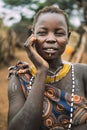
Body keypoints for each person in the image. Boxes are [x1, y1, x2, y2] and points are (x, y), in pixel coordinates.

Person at [7, 6, 87, 130]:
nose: (50, 39)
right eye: (42, 33)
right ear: (32, 36)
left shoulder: (82, 73)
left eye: (59, 33)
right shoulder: (19, 78)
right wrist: (41, 71)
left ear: (68, 37)